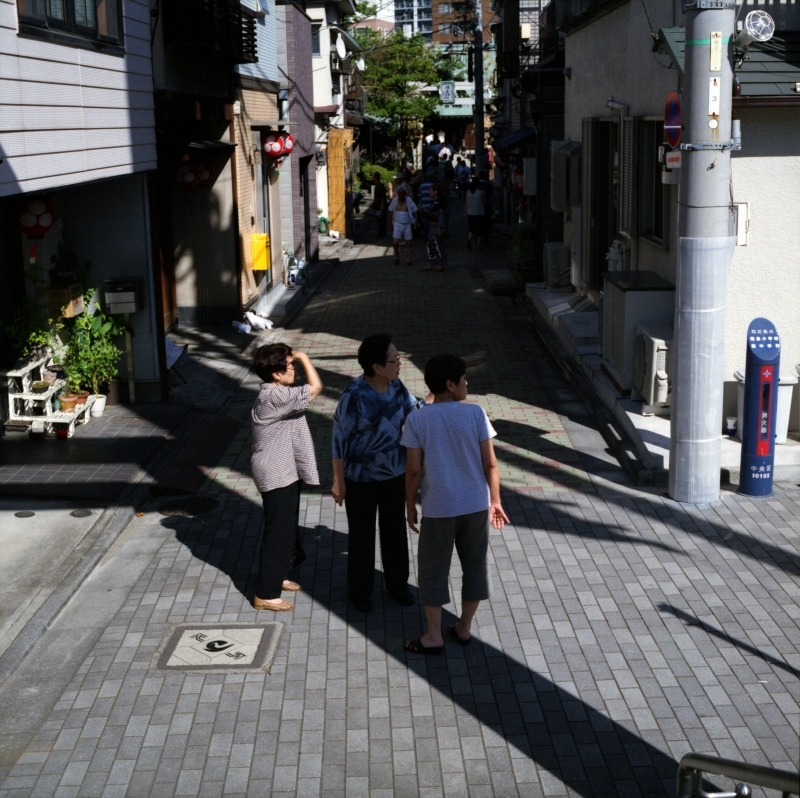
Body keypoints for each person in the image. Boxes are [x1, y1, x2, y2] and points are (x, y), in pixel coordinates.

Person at [401, 354, 508, 655]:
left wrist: (410, 506)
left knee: (433, 570)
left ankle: (433, 634)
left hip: (438, 507)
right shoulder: (476, 414)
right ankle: (463, 627)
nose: (467, 383)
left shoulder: (417, 419)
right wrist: (496, 500)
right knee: (474, 566)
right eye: (463, 379)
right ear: (450, 384)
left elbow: (413, 471)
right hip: (475, 505)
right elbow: (491, 464)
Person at [332, 334, 425, 613]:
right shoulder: (353, 396)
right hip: (360, 480)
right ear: (376, 366)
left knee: (394, 534)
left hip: (394, 476)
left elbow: (415, 410)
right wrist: (338, 481)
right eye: (394, 360)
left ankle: (398, 586)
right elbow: (338, 441)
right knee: (361, 537)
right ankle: (360, 594)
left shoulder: (397, 387)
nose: (400, 364)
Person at [251, 344, 324, 612]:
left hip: (283, 469)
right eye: (290, 364)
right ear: (276, 373)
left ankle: (279, 575)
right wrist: (304, 356)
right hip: (276, 472)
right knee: (278, 532)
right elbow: (316, 388)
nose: (294, 367)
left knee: (287, 528)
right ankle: (265, 594)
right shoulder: (273, 396)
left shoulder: (278, 392)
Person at [388, 186, 418, 266]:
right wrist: (390, 223)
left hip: (407, 223)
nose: (401, 195)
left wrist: (416, 221)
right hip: (397, 223)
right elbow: (390, 212)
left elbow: (415, 210)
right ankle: (397, 256)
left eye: (402, 193)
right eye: (399, 193)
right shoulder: (394, 201)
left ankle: (408, 259)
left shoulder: (409, 200)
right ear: (398, 194)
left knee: (408, 243)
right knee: (395, 242)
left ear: (405, 193)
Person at [420, 184, 447, 273]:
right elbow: (434, 213)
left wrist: (440, 227)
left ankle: (441, 264)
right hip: (432, 225)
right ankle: (431, 263)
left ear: (435, 192)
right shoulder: (434, 202)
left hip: (437, 225)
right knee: (431, 244)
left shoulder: (440, 202)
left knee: (440, 245)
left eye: (431, 190)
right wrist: (427, 211)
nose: (429, 192)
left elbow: (441, 216)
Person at [465, 178, 485, 251]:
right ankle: (478, 245)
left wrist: (464, 212)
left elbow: (466, 203)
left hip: (470, 212)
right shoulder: (480, 192)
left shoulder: (468, 192)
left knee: (471, 228)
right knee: (479, 229)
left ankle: (469, 239)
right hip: (479, 212)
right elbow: (484, 201)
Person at [371, 172, 388, 237]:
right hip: (377, 205)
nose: (372, 177)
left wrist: (382, 205)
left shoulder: (380, 186)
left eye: (373, 176)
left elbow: (382, 197)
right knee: (379, 219)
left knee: (382, 219)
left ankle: (382, 233)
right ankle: (381, 232)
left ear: (376, 177)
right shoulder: (377, 185)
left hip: (380, 205)